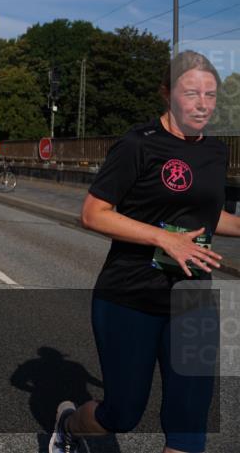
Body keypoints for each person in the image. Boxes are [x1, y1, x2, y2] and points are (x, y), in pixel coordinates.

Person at [50, 50, 240, 453]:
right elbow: (94, 213)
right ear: (167, 94)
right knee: (123, 413)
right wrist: (163, 238)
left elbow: (207, 216)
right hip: (130, 295)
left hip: (193, 299)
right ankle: (69, 427)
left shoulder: (216, 152)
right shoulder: (138, 144)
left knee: (190, 426)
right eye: (191, 93)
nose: (202, 103)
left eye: (210, 94)